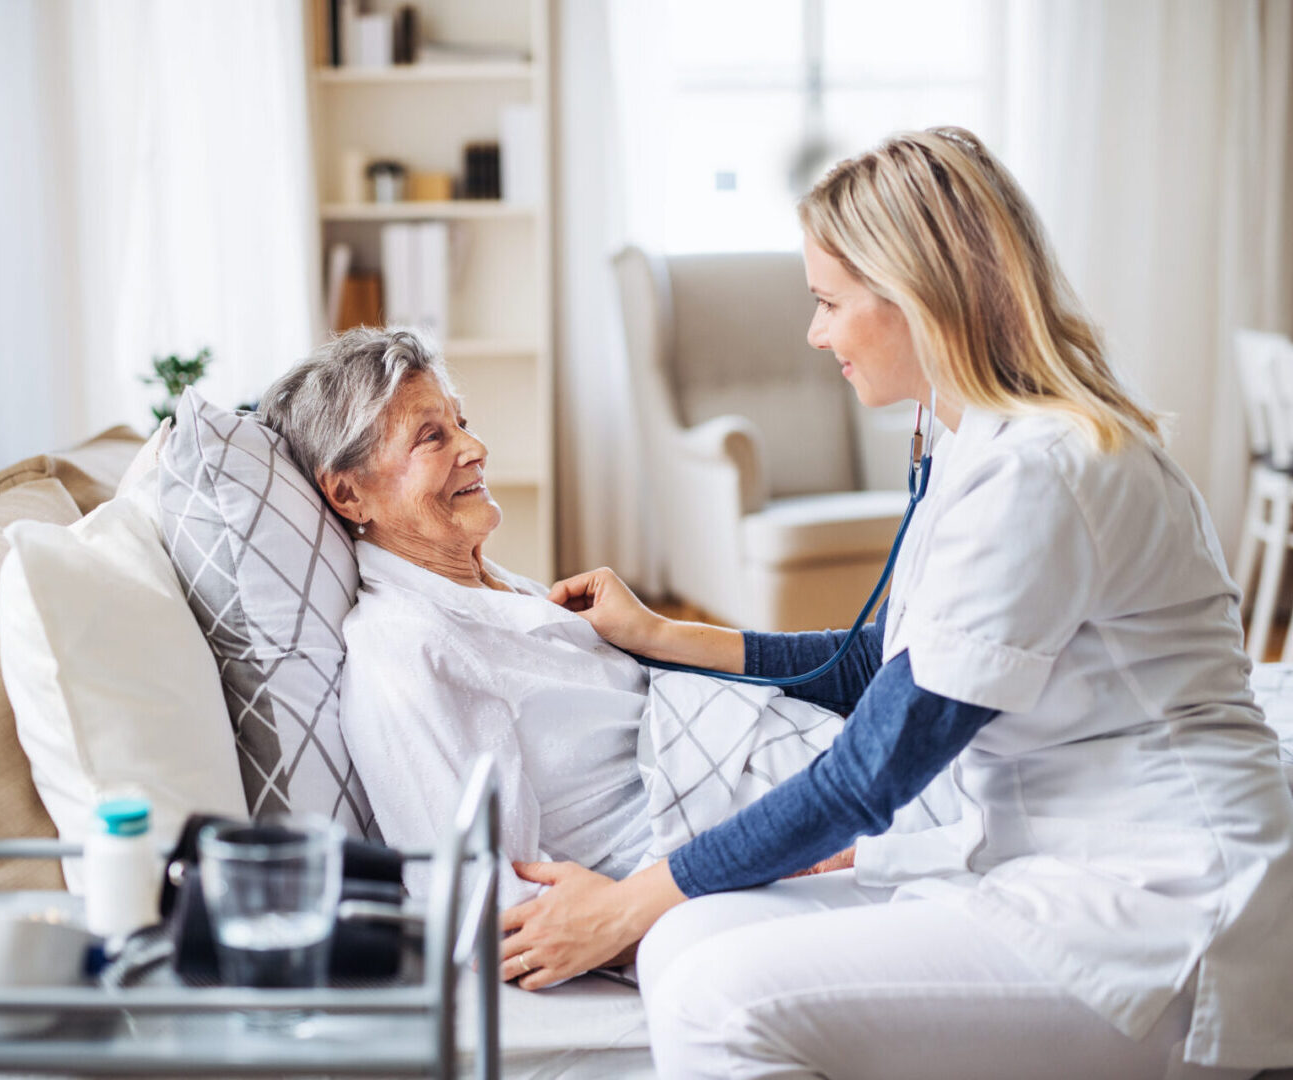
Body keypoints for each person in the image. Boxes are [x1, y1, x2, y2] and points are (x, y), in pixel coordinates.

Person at [498, 127, 1293, 1078]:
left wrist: (628, 897)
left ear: (918, 294)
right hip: (1050, 860)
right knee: (684, 940)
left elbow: (867, 779)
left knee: (713, 999)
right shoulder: (975, 439)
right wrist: (661, 635)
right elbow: (877, 663)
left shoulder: (1043, 470)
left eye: (828, 302)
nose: (815, 333)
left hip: (1165, 908)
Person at [259, 328, 949, 910]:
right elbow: (477, 897)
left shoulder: (499, 592)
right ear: (348, 493)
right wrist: (620, 920)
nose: (475, 449)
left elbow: (864, 660)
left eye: (461, 422)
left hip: (820, 772)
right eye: (431, 437)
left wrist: (653, 638)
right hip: (772, 835)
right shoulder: (405, 652)